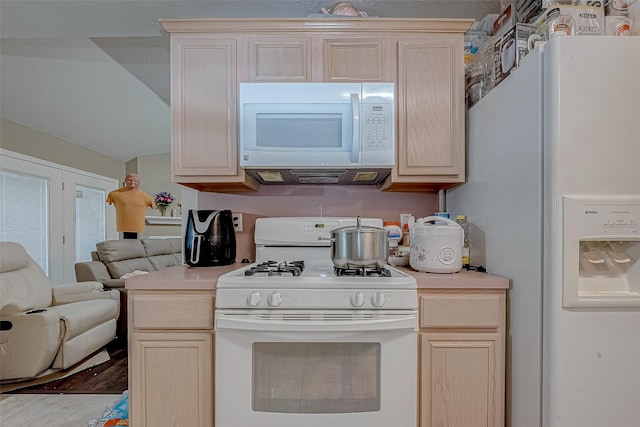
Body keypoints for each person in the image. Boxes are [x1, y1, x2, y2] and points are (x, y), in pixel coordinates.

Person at [106, 173, 154, 239]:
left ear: (139, 182)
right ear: (125, 181)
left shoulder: (147, 197)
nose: (132, 182)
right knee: (127, 246)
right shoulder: (114, 194)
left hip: (139, 227)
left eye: (135, 181)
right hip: (123, 226)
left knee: (137, 246)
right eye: (130, 180)